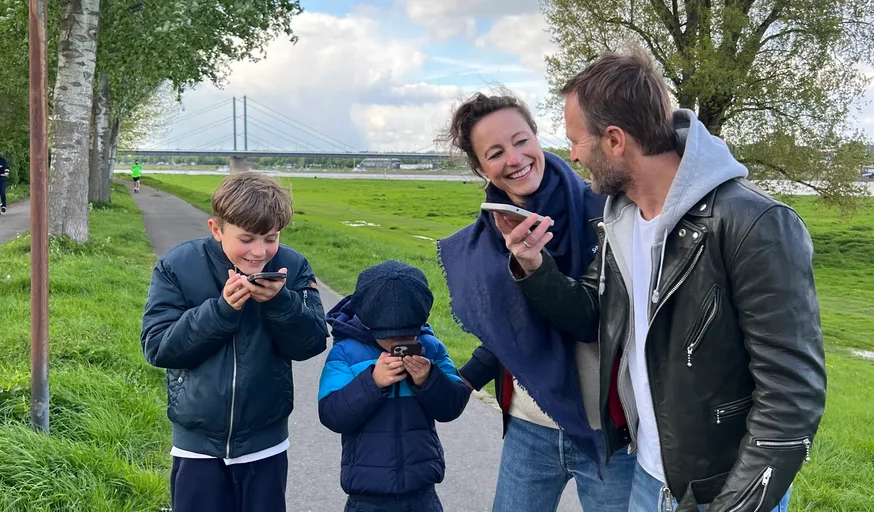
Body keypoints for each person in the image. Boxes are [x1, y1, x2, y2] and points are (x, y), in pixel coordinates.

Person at [500, 47, 826, 512]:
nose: (570, 155)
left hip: (720, 491)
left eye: (577, 141)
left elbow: (792, 396)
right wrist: (534, 266)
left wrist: (734, 505)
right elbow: (593, 315)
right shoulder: (622, 218)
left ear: (615, 141)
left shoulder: (755, 222)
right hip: (647, 478)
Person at [437, 92, 636, 512]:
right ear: (480, 167)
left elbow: (592, 320)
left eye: (521, 140)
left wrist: (534, 267)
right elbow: (508, 326)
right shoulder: (490, 233)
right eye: (495, 152)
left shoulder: (606, 210)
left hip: (607, 433)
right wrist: (467, 378)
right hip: (530, 424)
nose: (514, 158)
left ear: (537, 137)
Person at [140, 171, 329, 512]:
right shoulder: (177, 266)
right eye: (247, 239)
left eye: (270, 238)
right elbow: (159, 347)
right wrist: (222, 310)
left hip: (266, 443)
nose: (260, 252)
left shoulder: (293, 266)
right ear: (216, 229)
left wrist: (279, 301)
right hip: (196, 445)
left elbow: (311, 344)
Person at [318, 260, 471, 512]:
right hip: (367, 495)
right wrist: (372, 382)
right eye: (390, 337)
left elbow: (452, 407)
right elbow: (332, 415)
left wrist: (428, 380)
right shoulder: (346, 352)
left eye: (409, 336)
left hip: (422, 490)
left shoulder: (431, 349)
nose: (400, 344)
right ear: (368, 322)